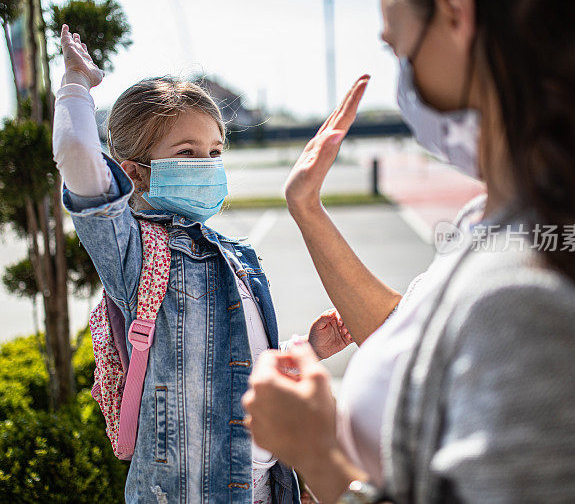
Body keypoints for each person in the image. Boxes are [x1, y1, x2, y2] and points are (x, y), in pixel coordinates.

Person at [243, 0, 575, 502]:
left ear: (454, 9)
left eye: (397, 47)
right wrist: (307, 208)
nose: (403, 81)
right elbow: (416, 337)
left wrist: (320, 461)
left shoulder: (534, 297)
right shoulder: (495, 219)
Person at [52, 25, 353, 503]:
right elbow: (77, 157)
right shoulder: (135, 255)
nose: (207, 164)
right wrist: (74, 84)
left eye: (214, 152)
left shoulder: (236, 256)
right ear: (133, 171)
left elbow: (238, 369)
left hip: (266, 489)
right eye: (187, 153)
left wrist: (308, 351)